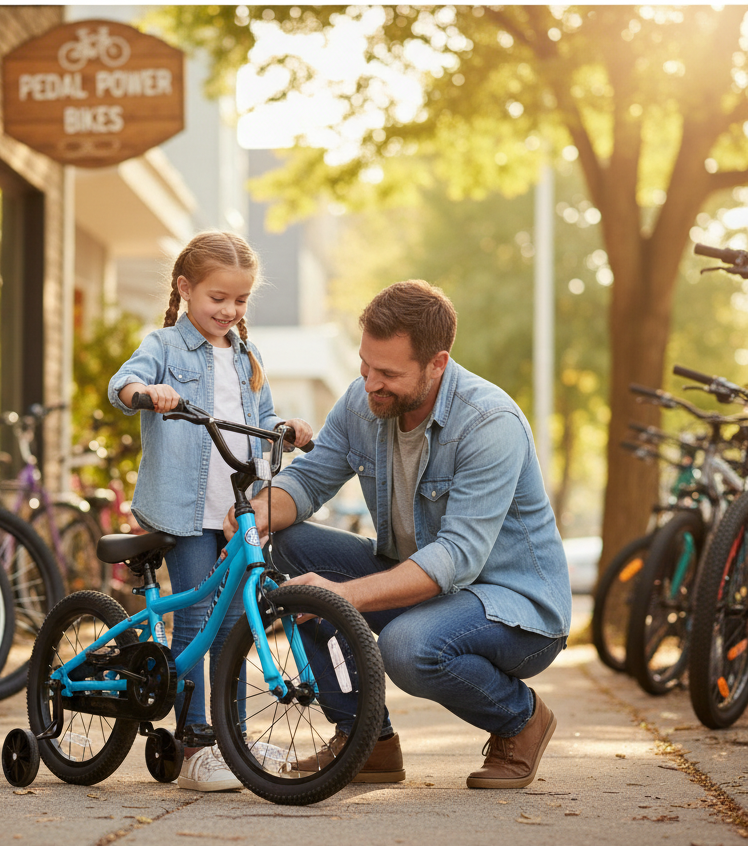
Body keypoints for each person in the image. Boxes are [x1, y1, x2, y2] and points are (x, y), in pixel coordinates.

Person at [223, 280, 571, 789]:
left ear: (438, 364)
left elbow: (456, 557)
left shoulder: (489, 423)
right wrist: (256, 515)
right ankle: (369, 742)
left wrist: (344, 595)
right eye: (366, 366)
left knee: (408, 648)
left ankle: (520, 720)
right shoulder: (364, 401)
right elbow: (310, 479)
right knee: (286, 545)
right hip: (416, 581)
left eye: (388, 373)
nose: (370, 384)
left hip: (512, 608)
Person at [108, 231, 313, 793]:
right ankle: (196, 742)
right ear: (185, 289)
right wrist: (149, 393)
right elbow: (121, 384)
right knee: (198, 621)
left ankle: (232, 739)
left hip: (237, 514)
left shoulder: (247, 354)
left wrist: (288, 431)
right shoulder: (166, 347)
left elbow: (262, 417)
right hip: (185, 512)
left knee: (237, 625)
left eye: (240, 300)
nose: (228, 310)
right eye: (217, 298)